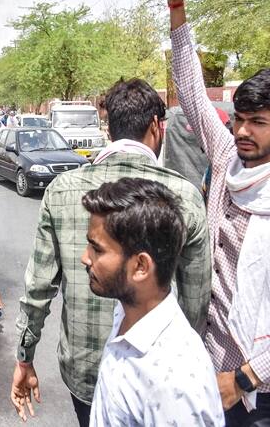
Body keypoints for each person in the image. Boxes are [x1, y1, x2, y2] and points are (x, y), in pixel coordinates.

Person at [10, 78, 212, 425]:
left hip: (83, 370)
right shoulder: (184, 195)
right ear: (155, 126)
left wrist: (24, 357)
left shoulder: (62, 190)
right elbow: (196, 298)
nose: (88, 258)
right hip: (158, 380)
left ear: (108, 125)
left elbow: (39, 287)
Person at [169, 0, 270, 425]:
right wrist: (176, 5)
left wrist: (247, 377)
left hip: (255, 388)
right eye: (240, 119)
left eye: (258, 122)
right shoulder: (228, 154)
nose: (243, 131)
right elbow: (190, 88)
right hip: (205, 364)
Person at [81, 178, 224, 426]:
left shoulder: (174, 383)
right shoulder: (127, 311)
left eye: (97, 249)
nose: (85, 258)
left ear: (140, 267)